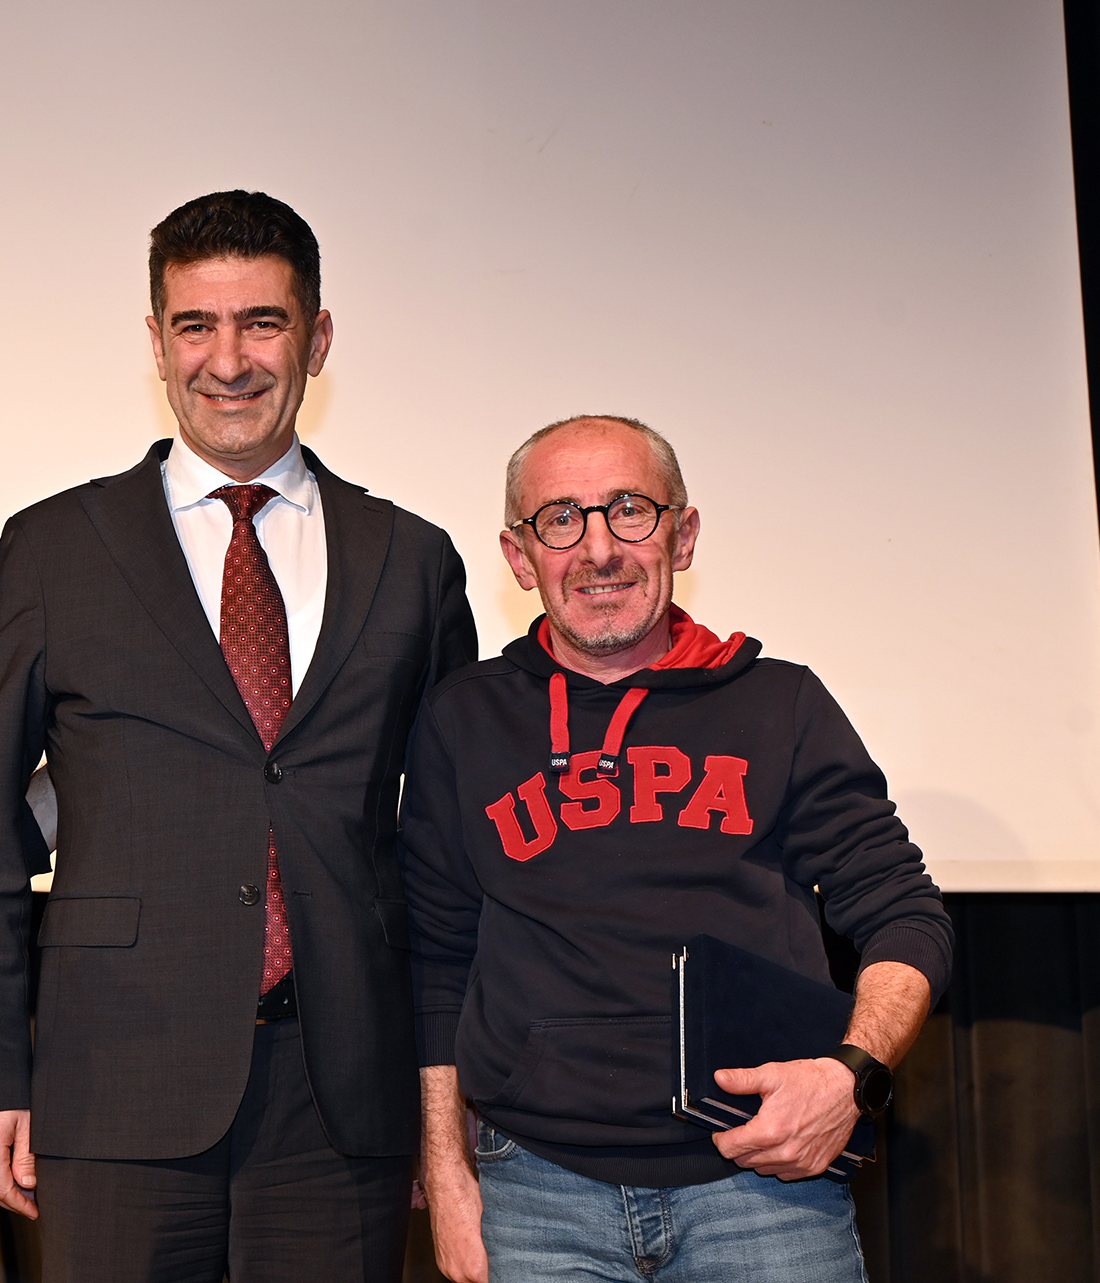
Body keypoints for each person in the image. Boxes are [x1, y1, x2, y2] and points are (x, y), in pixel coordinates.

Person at [0, 190, 479, 1282]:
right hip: (112, 1085)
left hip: (346, 1099)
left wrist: (445, 1105)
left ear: (316, 339)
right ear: (156, 343)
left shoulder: (411, 560)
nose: (227, 361)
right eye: (196, 325)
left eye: (261, 323)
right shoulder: (52, 548)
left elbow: (450, 852)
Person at [402, 415, 951, 1282]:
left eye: (629, 509)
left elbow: (906, 915)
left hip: (764, 1186)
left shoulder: (780, 705)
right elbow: (438, 957)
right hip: (537, 1193)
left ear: (682, 534)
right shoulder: (463, 718)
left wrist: (853, 1075)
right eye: (560, 519)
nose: (598, 549)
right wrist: (445, 1169)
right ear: (519, 556)